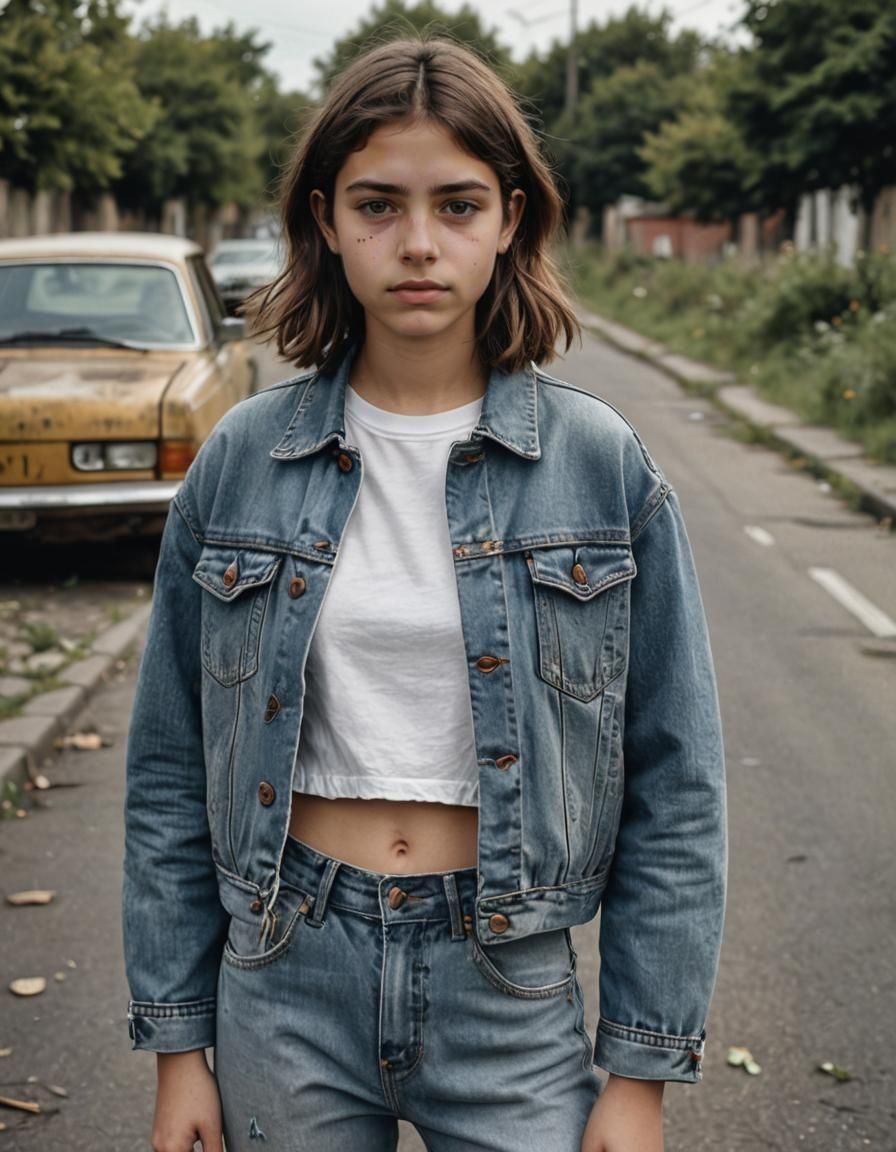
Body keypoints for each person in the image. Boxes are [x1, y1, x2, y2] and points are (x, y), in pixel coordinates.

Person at [122, 36, 727, 1152]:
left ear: (508, 219)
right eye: (376, 205)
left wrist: (637, 1073)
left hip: (507, 982)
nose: (415, 244)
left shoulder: (602, 466)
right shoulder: (242, 461)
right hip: (284, 974)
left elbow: (676, 785)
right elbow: (168, 767)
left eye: (455, 206)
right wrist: (178, 1046)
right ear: (324, 219)